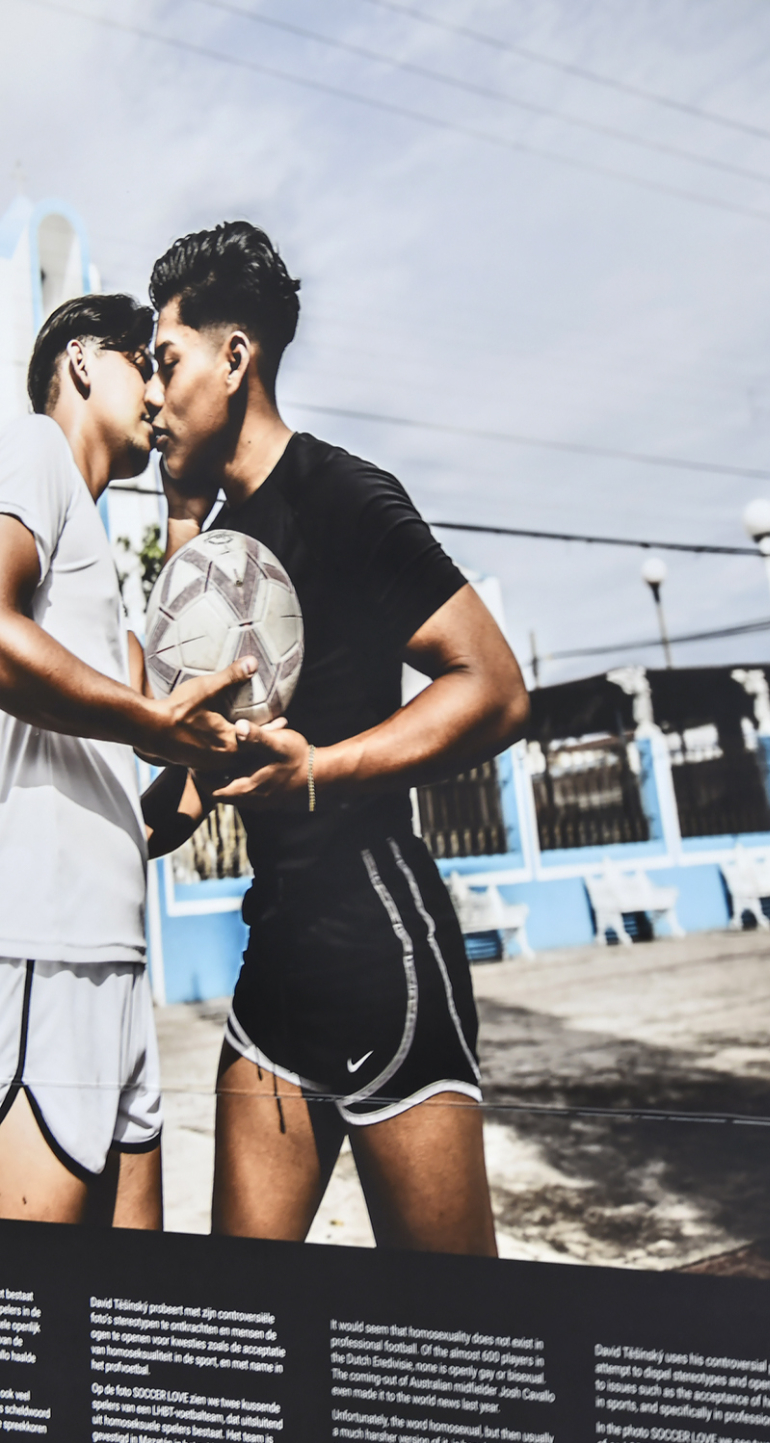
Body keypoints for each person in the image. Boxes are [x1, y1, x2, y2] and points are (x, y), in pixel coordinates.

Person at [144, 221, 529, 1255]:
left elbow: (493, 687)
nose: (148, 394)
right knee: (244, 1327)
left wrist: (323, 769)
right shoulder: (217, 546)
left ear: (237, 358)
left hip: (380, 951)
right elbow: (187, 782)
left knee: (454, 1347)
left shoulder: (343, 496)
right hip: (277, 960)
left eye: (164, 363)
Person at [0, 293, 250, 1228]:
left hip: (116, 961)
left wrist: (201, 758)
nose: (156, 389)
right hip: (42, 951)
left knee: (123, 1324)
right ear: (77, 362)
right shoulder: (33, 451)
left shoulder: (98, 553)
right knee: (30, 1324)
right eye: (142, 362)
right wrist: (159, 722)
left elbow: (159, 749)